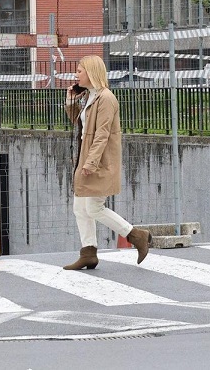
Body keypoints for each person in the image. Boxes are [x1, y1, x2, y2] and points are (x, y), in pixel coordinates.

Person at [62, 55, 151, 270]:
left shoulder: (106, 99)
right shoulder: (91, 97)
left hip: (99, 160)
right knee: (79, 207)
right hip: (86, 157)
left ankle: (136, 235)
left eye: (80, 71)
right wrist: (71, 101)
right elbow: (78, 123)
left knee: (93, 207)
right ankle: (88, 253)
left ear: (91, 73)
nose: (76, 75)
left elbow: (101, 135)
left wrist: (91, 163)